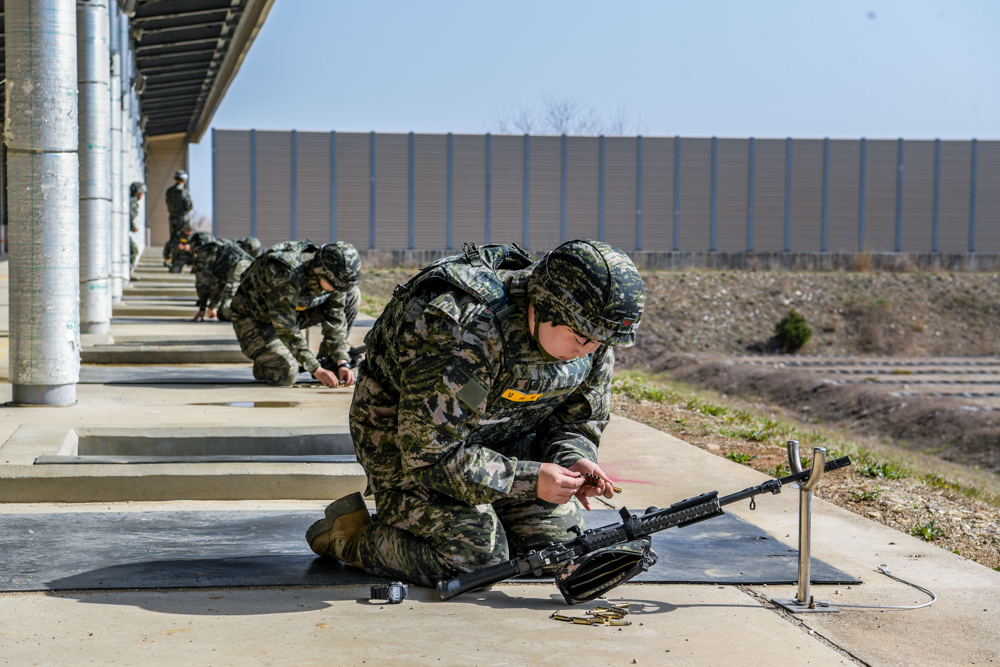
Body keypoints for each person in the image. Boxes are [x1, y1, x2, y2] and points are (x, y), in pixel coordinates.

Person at [305, 239, 644, 588]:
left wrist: (574, 458)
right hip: (408, 451)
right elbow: (429, 456)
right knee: (478, 558)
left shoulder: (593, 334)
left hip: (499, 442)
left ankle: (482, 515)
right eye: (579, 339)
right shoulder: (466, 331)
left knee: (556, 550)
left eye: (597, 343)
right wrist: (526, 479)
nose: (585, 351)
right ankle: (352, 537)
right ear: (543, 306)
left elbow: (577, 420)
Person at [230, 241, 361, 387]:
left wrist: (341, 361)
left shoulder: (335, 280)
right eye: (336, 285)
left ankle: (328, 363)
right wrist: (315, 368)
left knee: (352, 295)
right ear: (321, 271)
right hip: (254, 319)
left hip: (292, 312)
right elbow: (286, 328)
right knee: (285, 375)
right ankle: (265, 363)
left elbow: (335, 319)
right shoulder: (284, 272)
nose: (338, 290)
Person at [183, 232, 253, 322]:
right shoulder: (218, 249)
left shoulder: (205, 252)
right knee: (221, 314)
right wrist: (212, 307)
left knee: (227, 308)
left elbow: (202, 282)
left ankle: (254, 315)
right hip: (249, 267)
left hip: (238, 267)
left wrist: (202, 309)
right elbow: (221, 285)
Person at [163, 169, 194, 272]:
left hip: (172, 217)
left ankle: (169, 257)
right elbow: (189, 206)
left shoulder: (169, 191)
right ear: (184, 180)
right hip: (182, 218)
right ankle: (179, 261)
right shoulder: (183, 192)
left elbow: (168, 203)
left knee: (173, 238)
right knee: (183, 238)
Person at [128, 182, 146, 280]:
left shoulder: (129, 200)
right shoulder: (132, 202)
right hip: (121, 234)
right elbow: (129, 216)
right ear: (138, 193)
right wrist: (133, 227)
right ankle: (127, 273)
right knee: (134, 250)